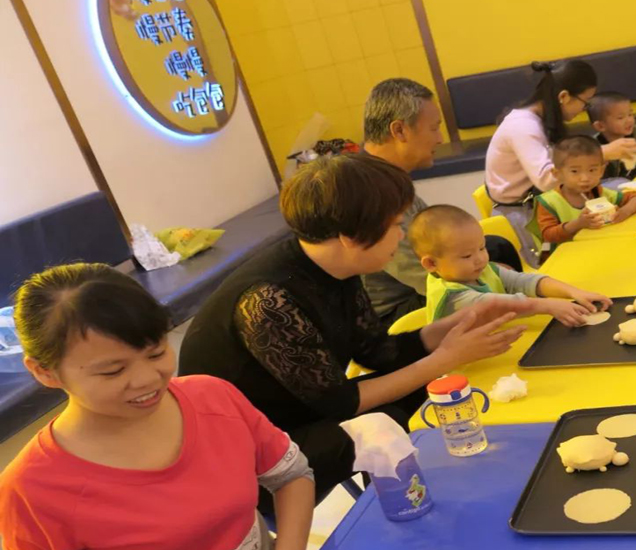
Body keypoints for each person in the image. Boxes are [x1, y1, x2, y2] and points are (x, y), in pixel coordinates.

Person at [179, 154, 527, 502]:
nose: (402, 235)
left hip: (306, 411)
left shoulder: (336, 267)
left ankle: (474, 481)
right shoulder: (268, 300)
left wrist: (459, 322)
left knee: (422, 393)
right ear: (350, 236)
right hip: (249, 454)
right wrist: (445, 358)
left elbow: (379, 353)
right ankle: (415, 504)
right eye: (395, 225)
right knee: (387, 419)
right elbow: (341, 404)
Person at [0, 264, 315, 550]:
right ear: (44, 371)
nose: (148, 379)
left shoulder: (212, 396)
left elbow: (291, 476)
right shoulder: (32, 490)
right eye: (113, 371)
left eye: (156, 353)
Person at [360, 78, 522, 329]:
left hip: (422, 285)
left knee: (495, 247)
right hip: (401, 310)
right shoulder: (372, 192)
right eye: (434, 128)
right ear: (399, 131)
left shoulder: (388, 178)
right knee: (498, 272)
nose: (440, 139)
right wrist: (494, 277)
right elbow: (424, 278)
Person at [484, 59, 636, 266]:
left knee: (623, 187)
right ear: (564, 97)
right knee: (555, 265)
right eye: (585, 102)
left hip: (542, 200)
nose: (584, 109)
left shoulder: (538, 120)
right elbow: (546, 179)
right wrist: (603, 153)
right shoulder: (523, 127)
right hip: (521, 213)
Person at [408, 204, 612, 325]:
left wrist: (574, 292)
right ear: (431, 263)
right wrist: (549, 305)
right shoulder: (451, 296)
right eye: (467, 256)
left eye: (482, 248)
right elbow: (499, 305)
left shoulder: (480, 270)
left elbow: (523, 282)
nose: (480, 259)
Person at [536, 135, 636, 246]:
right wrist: (578, 224)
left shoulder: (598, 192)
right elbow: (548, 236)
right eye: (575, 171)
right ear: (557, 174)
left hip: (600, 245)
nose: (585, 178)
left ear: (601, 171)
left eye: (592, 170)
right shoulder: (549, 202)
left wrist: (625, 211)